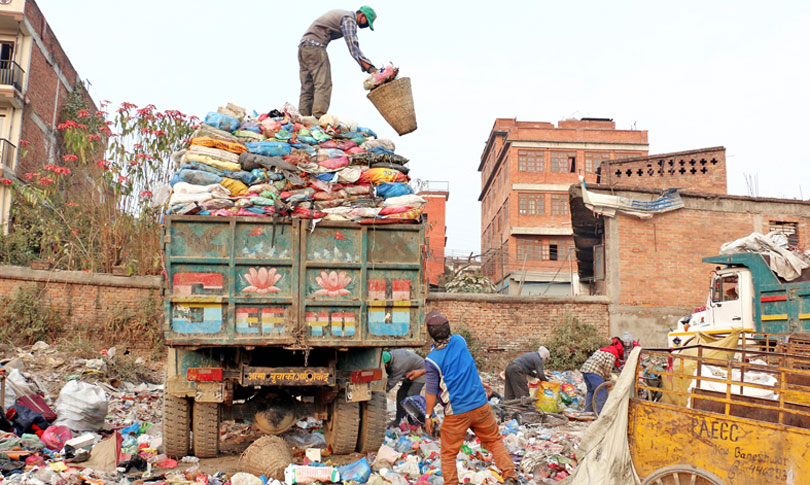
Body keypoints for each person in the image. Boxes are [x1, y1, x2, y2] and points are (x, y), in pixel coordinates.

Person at [423, 311, 518, 485]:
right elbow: (459, 365)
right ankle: (510, 475)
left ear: (430, 334)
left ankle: (452, 483)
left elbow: (430, 391)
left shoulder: (432, 360)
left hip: (457, 413)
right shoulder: (459, 341)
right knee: (494, 440)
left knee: (448, 453)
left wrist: (428, 415)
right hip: (480, 405)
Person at [298, 7, 378, 118]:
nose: (365, 26)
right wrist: (371, 69)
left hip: (303, 47)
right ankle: (319, 117)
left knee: (307, 86)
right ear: (362, 15)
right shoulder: (349, 19)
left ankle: (303, 118)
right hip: (316, 47)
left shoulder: (343, 15)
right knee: (323, 84)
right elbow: (353, 47)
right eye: (367, 22)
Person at [580, 336, 630, 414]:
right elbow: (607, 368)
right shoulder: (612, 353)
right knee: (602, 391)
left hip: (586, 370)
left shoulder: (605, 349)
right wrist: (608, 380)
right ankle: (599, 414)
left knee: (592, 392)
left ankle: (588, 412)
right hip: (594, 371)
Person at [383, 349, 426, 427]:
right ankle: (398, 421)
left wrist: (381, 393)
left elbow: (391, 382)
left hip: (421, 372)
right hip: (409, 373)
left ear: (387, 363)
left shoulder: (397, 366)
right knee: (401, 395)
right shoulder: (390, 355)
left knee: (411, 397)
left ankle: (416, 422)